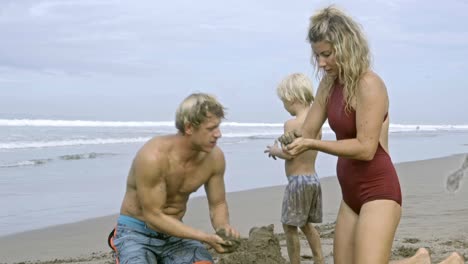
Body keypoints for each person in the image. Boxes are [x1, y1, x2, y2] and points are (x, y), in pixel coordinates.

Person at [278, 6, 465, 264]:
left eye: (327, 54)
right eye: (317, 55)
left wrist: (312, 143)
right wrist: (290, 141)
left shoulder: (369, 85)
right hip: (350, 193)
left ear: (345, 47)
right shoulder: (328, 85)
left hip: (379, 189)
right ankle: (418, 261)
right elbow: (307, 131)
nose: (321, 63)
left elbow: (366, 149)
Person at [109, 93, 240, 264]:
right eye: (210, 129)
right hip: (136, 231)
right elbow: (153, 217)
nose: (218, 134)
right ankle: (119, 242)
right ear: (189, 128)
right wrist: (205, 237)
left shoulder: (214, 158)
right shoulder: (153, 157)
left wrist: (223, 228)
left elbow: (218, 204)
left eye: (218, 127)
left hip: (175, 233)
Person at [264, 73, 324, 264]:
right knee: (306, 224)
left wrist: (276, 150)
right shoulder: (316, 122)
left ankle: (295, 262)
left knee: (289, 226)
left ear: (292, 98)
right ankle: (319, 258)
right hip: (313, 179)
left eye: (283, 102)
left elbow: (290, 153)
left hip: (297, 182)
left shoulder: (291, 123)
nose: (284, 106)